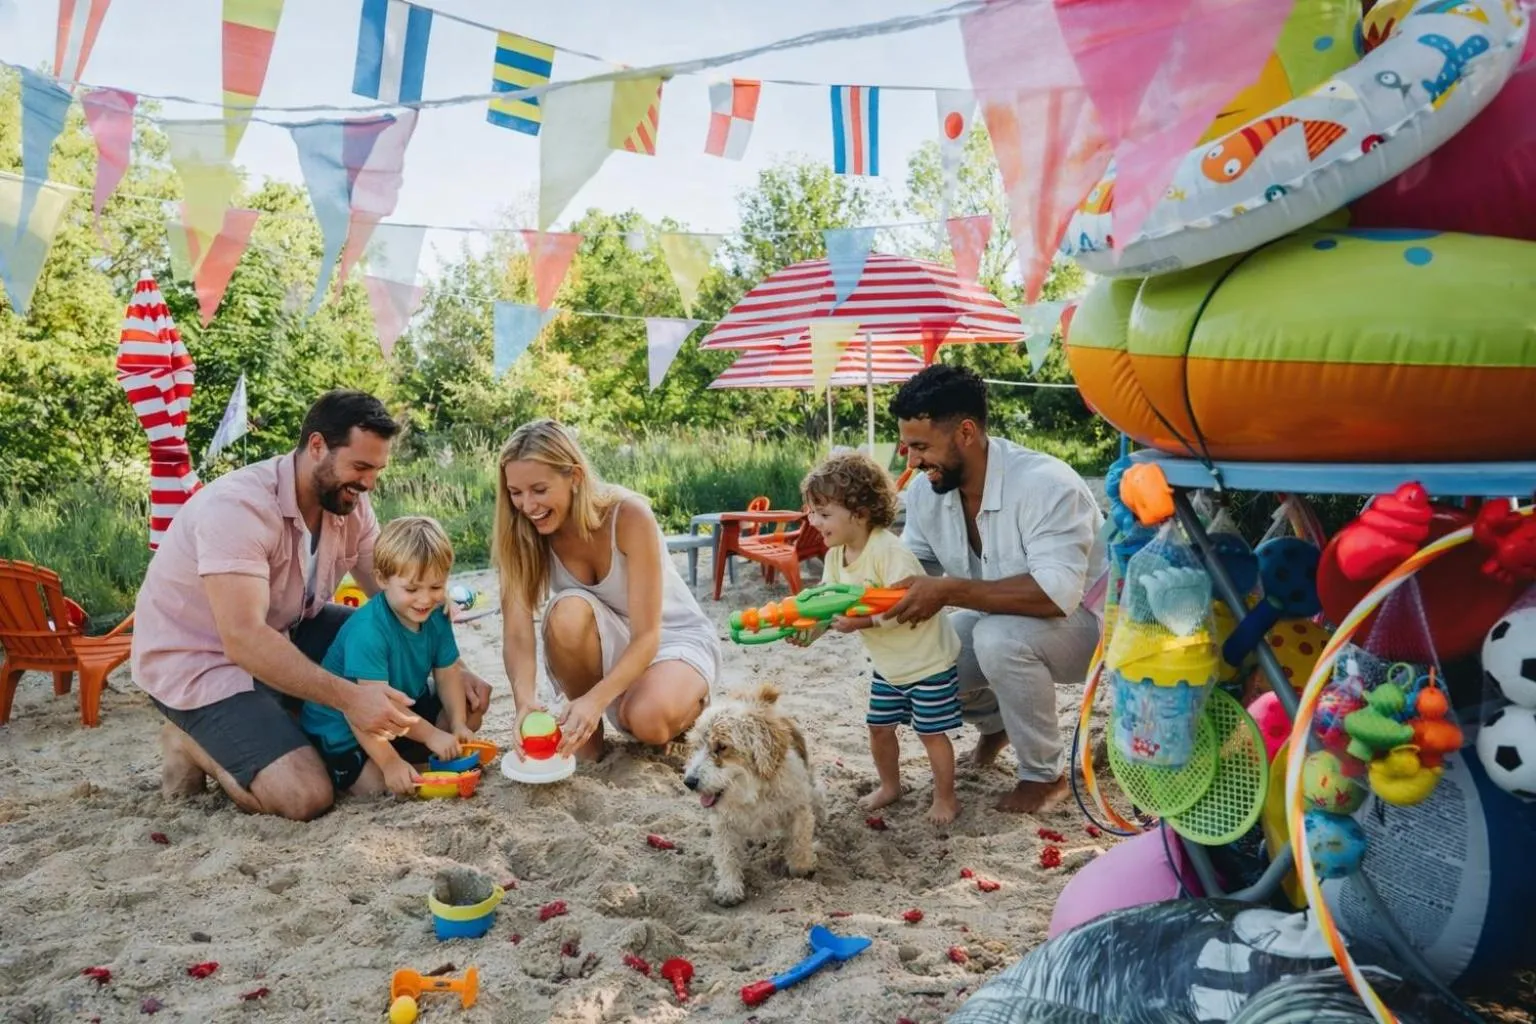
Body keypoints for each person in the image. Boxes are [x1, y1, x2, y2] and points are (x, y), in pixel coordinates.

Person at [132, 390, 492, 821]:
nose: (369, 483)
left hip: (288, 628)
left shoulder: (348, 502)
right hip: (201, 661)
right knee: (305, 796)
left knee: (448, 714)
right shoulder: (238, 508)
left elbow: (391, 591)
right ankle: (189, 740)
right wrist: (351, 699)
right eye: (360, 467)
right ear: (317, 446)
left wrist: (455, 664)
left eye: (377, 470)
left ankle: (289, 721)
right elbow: (243, 639)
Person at [885, 365, 1107, 815]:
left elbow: (1055, 595)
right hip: (1008, 623)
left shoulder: (1046, 483)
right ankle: (996, 723)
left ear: (966, 433)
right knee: (913, 655)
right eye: (907, 448)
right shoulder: (928, 492)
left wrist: (947, 591)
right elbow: (909, 571)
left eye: (921, 447)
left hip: (1097, 629)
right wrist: (836, 610)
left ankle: (1044, 777)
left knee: (996, 637)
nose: (911, 463)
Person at [495, 419, 717, 761]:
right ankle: (590, 734)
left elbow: (647, 636)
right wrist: (524, 702)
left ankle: (687, 707)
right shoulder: (520, 531)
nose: (527, 505)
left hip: (669, 637)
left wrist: (596, 700)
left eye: (539, 490)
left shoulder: (628, 516)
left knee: (646, 721)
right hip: (606, 643)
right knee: (567, 610)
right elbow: (517, 634)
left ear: (575, 477)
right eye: (515, 493)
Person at [793, 452, 964, 825]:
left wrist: (863, 622)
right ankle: (890, 786)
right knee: (879, 727)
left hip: (927, 663)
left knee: (930, 733)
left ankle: (946, 798)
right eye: (812, 512)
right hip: (889, 667)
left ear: (859, 513)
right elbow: (827, 606)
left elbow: (906, 605)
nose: (813, 521)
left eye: (823, 513)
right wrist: (809, 632)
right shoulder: (836, 556)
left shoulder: (889, 551)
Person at [301, 516, 479, 797]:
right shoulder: (368, 630)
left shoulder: (437, 612)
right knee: (376, 785)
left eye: (435, 587)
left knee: (468, 714)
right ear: (382, 579)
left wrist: (457, 722)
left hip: (398, 705)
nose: (425, 599)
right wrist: (393, 762)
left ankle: (416, 761)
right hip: (345, 725)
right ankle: (400, 763)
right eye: (412, 589)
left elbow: (447, 673)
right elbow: (367, 710)